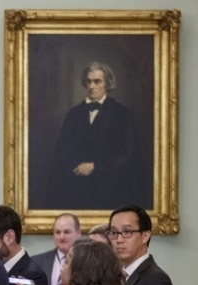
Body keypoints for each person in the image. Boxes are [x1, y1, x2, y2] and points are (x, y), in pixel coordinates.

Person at [46, 61, 149, 210]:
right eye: (88, 81)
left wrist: (96, 166)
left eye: (97, 81)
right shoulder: (73, 114)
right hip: (77, 193)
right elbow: (61, 154)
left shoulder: (123, 114)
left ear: (107, 83)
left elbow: (129, 156)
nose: (91, 86)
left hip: (111, 193)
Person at [32, 214, 81, 285]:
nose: (61, 237)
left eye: (66, 232)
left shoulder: (87, 263)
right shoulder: (36, 262)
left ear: (78, 233)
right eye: (58, 232)